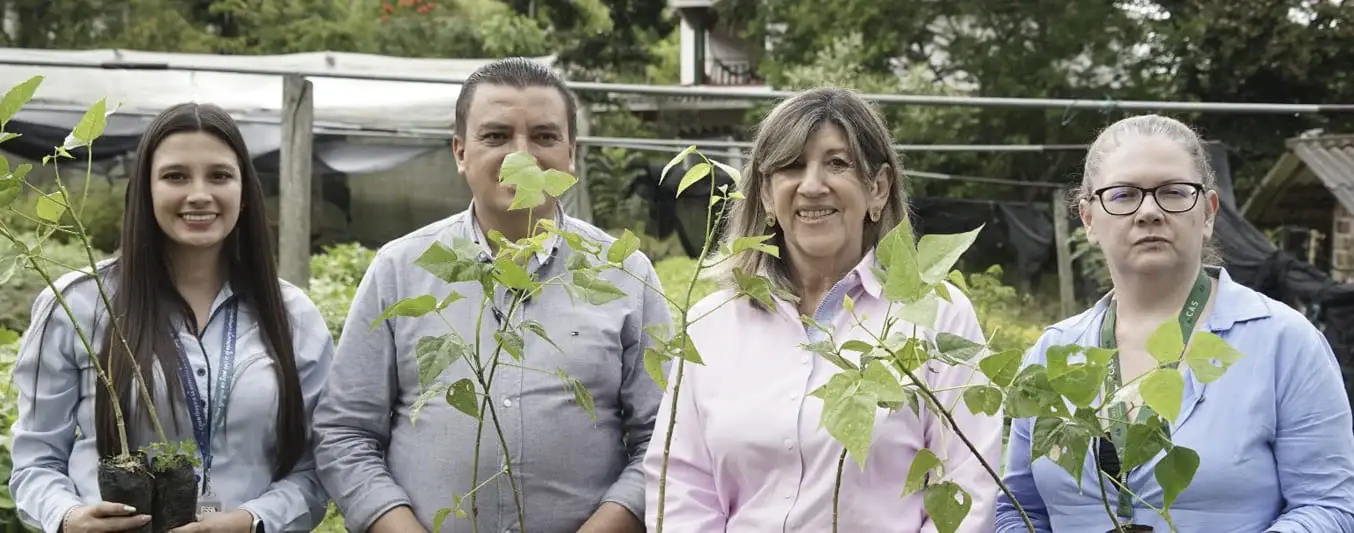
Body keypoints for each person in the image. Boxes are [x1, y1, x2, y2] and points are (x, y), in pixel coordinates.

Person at [311, 57, 670, 533]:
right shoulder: (401, 269)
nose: (520, 157)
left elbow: (664, 437)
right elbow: (346, 432)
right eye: (496, 136)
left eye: (543, 137)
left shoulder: (623, 273)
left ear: (571, 155)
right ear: (460, 151)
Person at [642, 87, 1004, 532]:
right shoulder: (712, 325)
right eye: (792, 166)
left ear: (878, 188)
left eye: (837, 163)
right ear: (766, 195)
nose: (812, 186)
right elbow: (679, 487)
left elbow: (968, 490)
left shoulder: (936, 317)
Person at [994, 114, 1354, 532]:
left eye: (1173, 192)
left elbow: (1330, 506)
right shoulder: (1053, 353)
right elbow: (1019, 511)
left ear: (1208, 213)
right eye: (1124, 194)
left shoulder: (1283, 342)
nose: (1149, 212)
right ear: (1089, 218)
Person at [9, 102, 335, 533]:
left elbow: (316, 468)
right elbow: (35, 462)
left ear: (245, 192)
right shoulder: (79, 305)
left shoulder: (293, 316)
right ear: (144, 189)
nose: (199, 194)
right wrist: (68, 518)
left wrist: (250, 521)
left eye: (219, 175)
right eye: (175, 176)